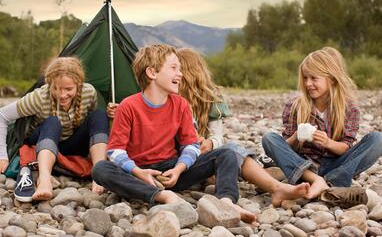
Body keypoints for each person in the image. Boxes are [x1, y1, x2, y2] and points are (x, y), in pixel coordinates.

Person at [94, 44, 256, 223]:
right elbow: (115, 150)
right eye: (173, 68)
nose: (180, 73)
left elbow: (190, 145)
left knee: (226, 154)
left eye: (179, 69)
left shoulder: (181, 105)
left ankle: (226, 201)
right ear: (152, 73)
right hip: (139, 173)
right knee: (100, 169)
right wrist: (139, 171)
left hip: (172, 170)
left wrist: (178, 169)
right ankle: (161, 196)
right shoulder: (128, 106)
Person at [176, 48, 310, 207]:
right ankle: (265, 178)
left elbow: (217, 136)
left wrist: (210, 144)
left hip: (205, 155)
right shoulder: (169, 100)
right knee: (232, 150)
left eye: (177, 69)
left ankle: (272, 184)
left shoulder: (210, 99)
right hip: (182, 162)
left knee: (231, 149)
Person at [262, 47, 382, 199]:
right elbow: (285, 148)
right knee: (269, 138)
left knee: (377, 139)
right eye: (305, 78)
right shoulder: (294, 105)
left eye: (314, 78)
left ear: (331, 79)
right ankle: (316, 181)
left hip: (335, 165)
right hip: (303, 164)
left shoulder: (349, 108)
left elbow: (346, 147)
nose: (308, 84)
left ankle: (332, 181)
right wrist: (296, 137)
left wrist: (328, 143)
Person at [0, 57, 108, 201]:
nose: (62, 95)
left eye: (69, 89)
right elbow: (0, 116)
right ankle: (44, 180)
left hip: (70, 145)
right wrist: (0, 156)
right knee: (52, 121)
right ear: (49, 84)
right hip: (42, 142)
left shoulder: (89, 92)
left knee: (100, 115)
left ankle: (99, 173)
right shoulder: (39, 97)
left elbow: (92, 124)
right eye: (56, 88)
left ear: (79, 84)